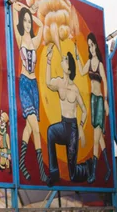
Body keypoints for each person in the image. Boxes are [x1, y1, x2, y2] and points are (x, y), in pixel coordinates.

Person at [44, 43, 92, 186]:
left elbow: (84, 110)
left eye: (65, 59)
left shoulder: (75, 90)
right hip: (63, 125)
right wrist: (48, 60)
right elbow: (47, 83)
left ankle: (87, 167)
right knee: (51, 131)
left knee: (73, 175)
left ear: (69, 67)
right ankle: (54, 174)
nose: (62, 60)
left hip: (72, 130)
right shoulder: (59, 82)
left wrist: (81, 126)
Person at [12, 0, 46, 181]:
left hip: (35, 86)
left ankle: (22, 163)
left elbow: (41, 25)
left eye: (28, 21)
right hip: (24, 83)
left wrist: (31, 15)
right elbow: (12, 9)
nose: (26, 24)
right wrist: (20, 9)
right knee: (36, 127)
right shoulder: (19, 37)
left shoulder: (35, 40)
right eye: (24, 21)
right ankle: (42, 171)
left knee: (29, 127)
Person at [75, 33, 111, 182]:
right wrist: (77, 55)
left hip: (99, 100)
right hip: (92, 101)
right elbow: (82, 71)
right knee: (100, 139)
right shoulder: (89, 63)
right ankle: (108, 169)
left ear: (96, 45)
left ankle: (93, 173)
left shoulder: (100, 64)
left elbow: (105, 82)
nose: (90, 48)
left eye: (92, 45)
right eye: (88, 46)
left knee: (96, 137)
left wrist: (106, 101)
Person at [0, 106, 11, 171]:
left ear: (5, 123)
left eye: (3, 121)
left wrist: (8, 154)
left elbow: (8, 146)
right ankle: (6, 162)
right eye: (0, 120)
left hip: (4, 149)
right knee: (1, 156)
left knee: (3, 158)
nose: (1, 122)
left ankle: (4, 163)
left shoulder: (6, 135)